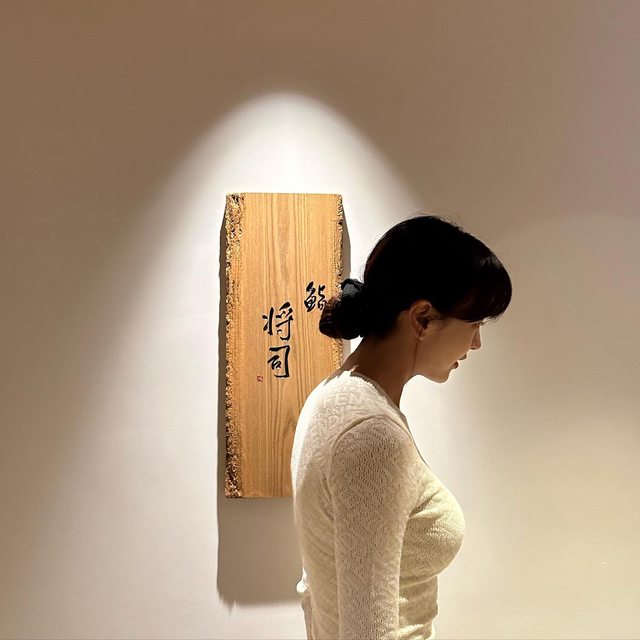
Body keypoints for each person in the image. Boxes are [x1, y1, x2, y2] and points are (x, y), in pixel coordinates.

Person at [290, 213, 512, 639]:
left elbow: (314, 592)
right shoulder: (371, 435)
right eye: (474, 324)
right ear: (423, 318)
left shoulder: (331, 396)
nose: (477, 343)